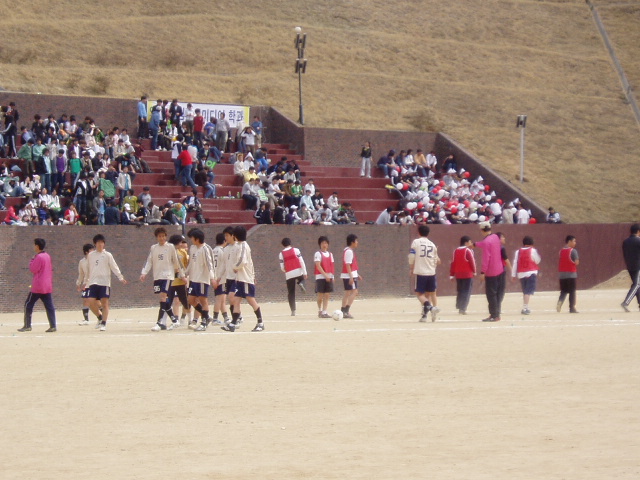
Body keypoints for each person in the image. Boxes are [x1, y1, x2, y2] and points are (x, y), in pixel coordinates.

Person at [140, 227, 186, 331]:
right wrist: (144, 273)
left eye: (163, 236)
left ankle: (159, 322)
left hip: (167, 276)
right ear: (157, 237)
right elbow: (149, 261)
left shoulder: (170, 247)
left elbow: (176, 262)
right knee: (163, 299)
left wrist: (182, 275)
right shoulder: (153, 248)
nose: (162, 238)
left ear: (166, 237)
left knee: (163, 298)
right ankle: (174, 320)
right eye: (160, 236)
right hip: (157, 276)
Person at [222, 226, 264, 332]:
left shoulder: (243, 246)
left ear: (235, 236)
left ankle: (260, 322)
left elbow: (242, 261)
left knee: (251, 300)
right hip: (240, 279)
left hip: (245, 278)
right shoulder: (241, 245)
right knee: (236, 300)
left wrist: (235, 267)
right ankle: (233, 323)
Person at [84, 234, 128, 331]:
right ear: (95, 244)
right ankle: (99, 317)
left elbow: (114, 266)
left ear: (104, 244)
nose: (100, 244)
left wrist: (120, 277)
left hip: (104, 283)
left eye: (102, 242)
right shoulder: (91, 255)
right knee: (90, 302)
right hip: (93, 282)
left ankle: (104, 323)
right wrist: (85, 281)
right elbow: (88, 269)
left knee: (104, 303)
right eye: (98, 242)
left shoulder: (108, 255)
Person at [18, 238, 57, 333]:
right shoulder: (47, 256)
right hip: (47, 285)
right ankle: (53, 326)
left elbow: (33, 269)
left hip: (38, 285)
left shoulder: (38, 257)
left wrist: (32, 260)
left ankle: (27, 325)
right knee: (49, 306)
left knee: (28, 304)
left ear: (37, 246)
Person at [408, 225, 441, 322]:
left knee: (420, 294)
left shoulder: (416, 242)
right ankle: (426, 315)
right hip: (431, 272)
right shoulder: (432, 244)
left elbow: (411, 256)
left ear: (419, 233)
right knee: (430, 294)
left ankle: (430, 308)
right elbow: (437, 260)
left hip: (421, 271)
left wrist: (411, 267)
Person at [186, 228, 216, 331]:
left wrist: (212, 278)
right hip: (193, 279)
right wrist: (185, 273)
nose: (191, 240)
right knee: (190, 299)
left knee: (203, 300)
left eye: (192, 238)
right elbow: (191, 263)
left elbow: (209, 264)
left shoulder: (205, 249)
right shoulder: (193, 248)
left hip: (203, 279)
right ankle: (206, 316)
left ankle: (203, 323)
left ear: (197, 239)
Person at [475, 222, 504, 322]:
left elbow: (486, 258)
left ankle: (494, 315)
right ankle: (496, 313)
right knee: (497, 293)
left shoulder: (487, 241)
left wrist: (483, 272)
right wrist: (475, 244)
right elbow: (485, 243)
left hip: (491, 271)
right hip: (499, 269)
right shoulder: (495, 237)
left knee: (491, 294)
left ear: (482, 230)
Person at [511, 236, 541, 315]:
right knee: (528, 291)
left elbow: (515, 263)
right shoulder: (533, 250)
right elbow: (537, 261)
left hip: (521, 274)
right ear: (531, 244)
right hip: (531, 273)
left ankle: (525, 306)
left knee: (525, 291)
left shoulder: (518, 251)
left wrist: (513, 274)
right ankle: (525, 307)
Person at [279, 238, 308, 316]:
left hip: (289, 274)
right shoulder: (296, 250)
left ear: (283, 245)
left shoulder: (281, 254)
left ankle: (293, 310)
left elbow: (282, 267)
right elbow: (301, 261)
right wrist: (305, 272)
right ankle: (301, 283)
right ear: (290, 243)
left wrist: (286, 271)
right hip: (298, 270)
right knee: (302, 279)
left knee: (291, 292)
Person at [167, 234, 191, 325]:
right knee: (170, 301)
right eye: (180, 242)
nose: (182, 244)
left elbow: (184, 266)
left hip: (181, 281)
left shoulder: (183, 252)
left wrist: (184, 276)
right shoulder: (169, 252)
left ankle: (189, 319)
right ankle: (174, 319)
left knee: (185, 301)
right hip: (171, 281)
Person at [450, 235, 476, 315]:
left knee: (460, 290)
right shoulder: (468, 250)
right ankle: (463, 308)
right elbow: (472, 261)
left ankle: (459, 305)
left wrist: (451, 274)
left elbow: (453, 263)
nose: (471, 243)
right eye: (470, 242)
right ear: (466, 242)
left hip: (458, 274)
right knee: (466, 291)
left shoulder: (456, 251)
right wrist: (474, 271)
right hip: (467, 274)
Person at [76, 243, 101, 326]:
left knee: (96, 302)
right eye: (91, 250)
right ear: (86, 252)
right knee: (85, 300)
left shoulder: (95, 261)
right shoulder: (82, 262)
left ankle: (102, 318)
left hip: (94, 283)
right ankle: (86, 319)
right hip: (86, 284)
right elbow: (81, 274)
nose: (93, 251)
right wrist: (79, 283)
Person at [340, 234, 362, 319]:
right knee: (354, 292)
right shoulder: (349, 251)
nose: (357, 243)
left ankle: (343, 310)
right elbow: (348, 264)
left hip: (350, 274)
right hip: (349, 275)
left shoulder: (347, 250)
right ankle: (346, 310)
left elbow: (350, 265)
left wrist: (357, 274)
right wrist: (351, 276)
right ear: (352, 242)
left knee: (348, 293)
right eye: (356, 241)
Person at [211, 232, 230, 326]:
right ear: (224, 241)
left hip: (214, 277)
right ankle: (215, 318)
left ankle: (226, 318)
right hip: (221, 278)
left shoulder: (213, 250)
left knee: (222, 298)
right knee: (219, 298)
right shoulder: (223, 251)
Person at [557, 235, 579, 313]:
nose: (575, 243)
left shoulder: (561, 251)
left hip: (562, 274)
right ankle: (572, 307)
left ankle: (560, 301)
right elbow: (576, 262)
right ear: (569, 241)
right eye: (574, 241)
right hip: (571, 274)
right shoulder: (573, 251)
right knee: (572, 291)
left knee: (563, 291)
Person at [314, 236, 335, 319]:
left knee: (327, 294)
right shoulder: (318, 254)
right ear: (320, 244)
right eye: (323, 243)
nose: (324, 245)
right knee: (320, 295)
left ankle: (324, 311)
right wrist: (325, 275)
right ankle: (319, 310)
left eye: (326, 243)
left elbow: (332, 266)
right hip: (320, 277)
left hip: (329, 277)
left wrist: (332, 276)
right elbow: (318, 265)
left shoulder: (330, 254)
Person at [621, 223, 640, 312]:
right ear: (638, 231)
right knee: (637, 285)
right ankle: (626, 302)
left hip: (630, 265)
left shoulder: (625, 241)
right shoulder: (638, 241)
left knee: (637, 285)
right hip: (638, 266)